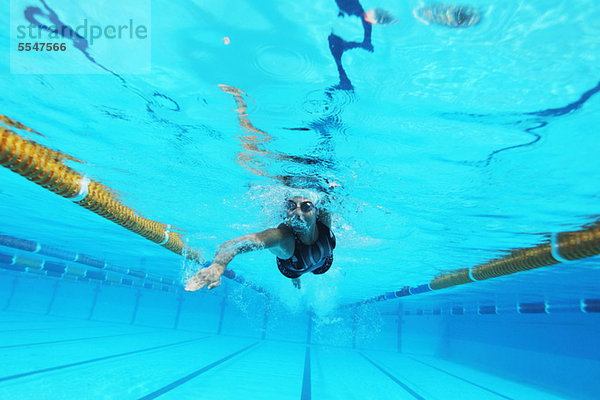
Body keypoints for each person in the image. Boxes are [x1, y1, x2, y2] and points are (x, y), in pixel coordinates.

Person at [185, 195, 336, 291]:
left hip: (323, 263)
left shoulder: (324, 219)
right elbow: (234, 244)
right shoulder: (282, 237)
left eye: (306, 206)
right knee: (296, 272)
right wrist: (218, 265)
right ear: (285, 213)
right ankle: (296, 277)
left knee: (318, 270)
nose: (297, 212)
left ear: (317, 211)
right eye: (291, 206)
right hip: (292, 267)